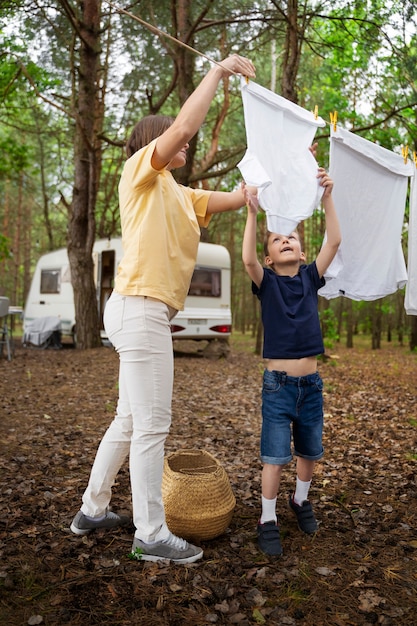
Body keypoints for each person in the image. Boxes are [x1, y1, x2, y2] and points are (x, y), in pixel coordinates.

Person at [70, 54, 256, 564]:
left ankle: (92, 508)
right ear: (156, 141)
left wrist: (272, 174)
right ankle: (151, 533)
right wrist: (217, 73)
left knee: (129, 421)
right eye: (175, 137)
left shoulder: (179, 192)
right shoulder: (140, 172)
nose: (188, 141)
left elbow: (238, 197)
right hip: (139, 307)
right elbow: (186, 124)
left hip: (139, 309)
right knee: (152, 424)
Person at [242, 164, 341, 557]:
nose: (286, 240)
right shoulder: (266, 284)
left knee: (310, 451)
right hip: (278, 386)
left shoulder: (309, 278)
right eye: (278, 239)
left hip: (311, 385)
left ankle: (300, 500)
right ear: (270, 258)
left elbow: (334, 242)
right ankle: (268, 517)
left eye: (292, 238)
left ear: (301, 253)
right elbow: (247, 258)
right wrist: (251, 210)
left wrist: (327, 196)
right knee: (275, 454)